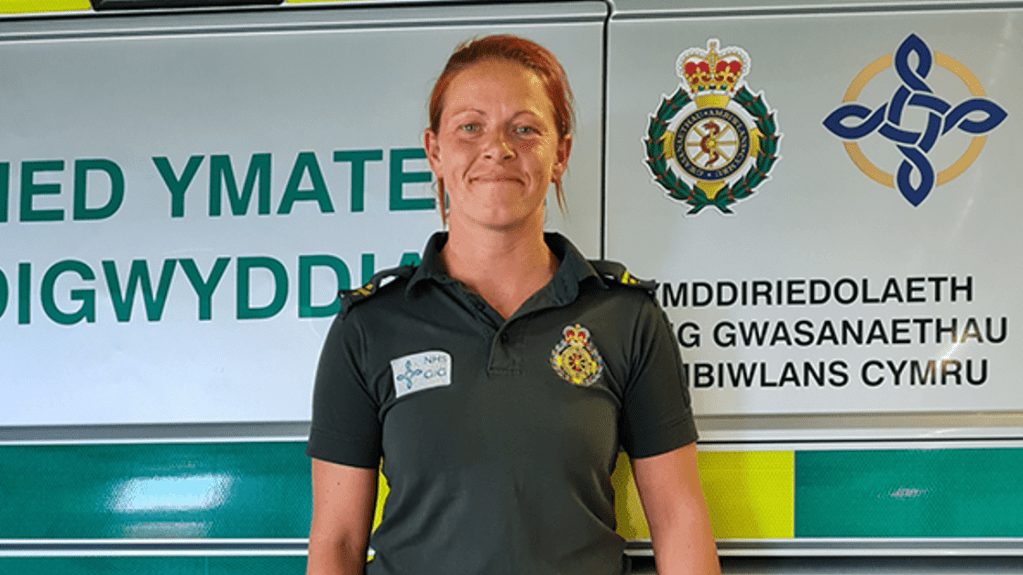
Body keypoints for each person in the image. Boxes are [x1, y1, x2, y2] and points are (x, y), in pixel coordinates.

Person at [306, 34, 719, 575]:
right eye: (470, 127)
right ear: (434, 151)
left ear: (560, 154)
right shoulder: (370, 327)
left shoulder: (626, 319)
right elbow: (336, 541)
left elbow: (678, 520)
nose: (497, 148)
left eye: (524, 129)